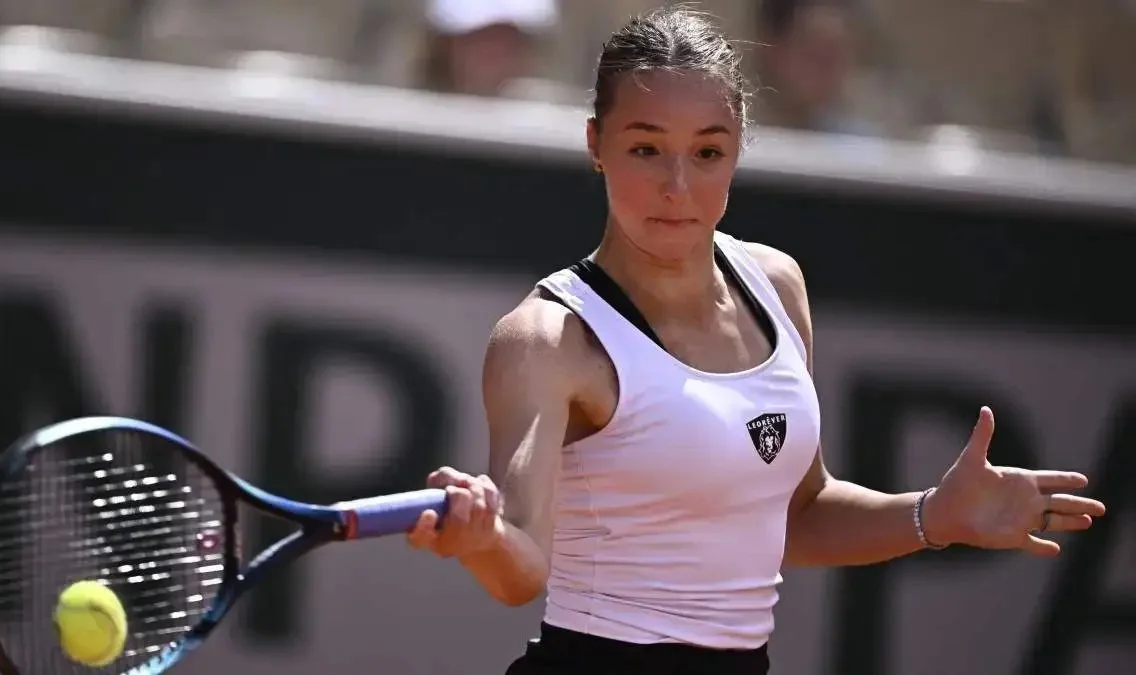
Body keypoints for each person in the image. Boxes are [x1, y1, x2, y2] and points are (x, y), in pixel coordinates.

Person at [405, 6, 1107, 675]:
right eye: (646, 148)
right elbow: (521, 567)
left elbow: (797, 515)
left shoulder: (776, 284)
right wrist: (483, 536)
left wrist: (933, 515)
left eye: (707, 152)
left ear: (738, 145)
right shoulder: (547, 338)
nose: (677, 185)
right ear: (596, 145)